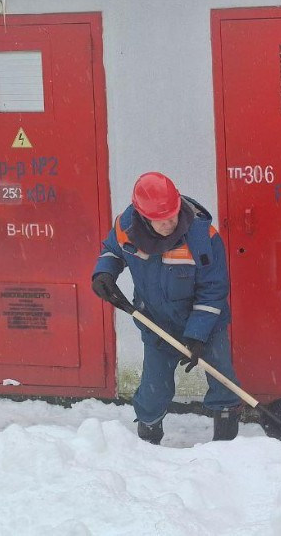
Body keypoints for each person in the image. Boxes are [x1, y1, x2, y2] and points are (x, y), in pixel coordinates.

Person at [91, 172, 243, 445]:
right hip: (156, 323)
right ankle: (148, 443)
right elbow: (112, 251)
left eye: (173, 216)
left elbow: (214, 288)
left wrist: (197, 334)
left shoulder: (201, 235)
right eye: (161, 221)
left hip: (206, 323)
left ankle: (225, 446)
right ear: (142, 216)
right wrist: (104, 273)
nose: (169, 224)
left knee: (223, 382)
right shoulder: (126, 227)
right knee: (153, 389)